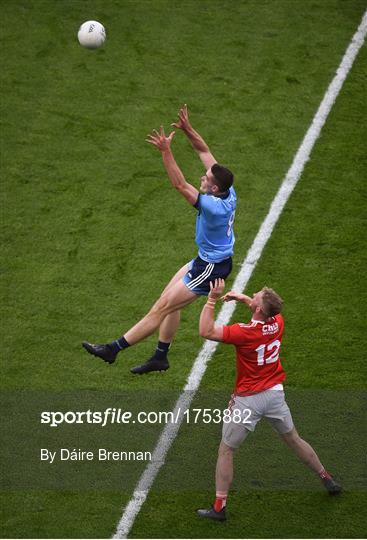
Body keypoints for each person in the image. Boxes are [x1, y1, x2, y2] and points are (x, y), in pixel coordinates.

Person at [82, 106, 237, 374]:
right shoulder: (227, 189)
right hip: (207, 259)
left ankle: (113, 349)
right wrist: (188, 130)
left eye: (206, 178)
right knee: (167, 299)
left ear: (214, 189)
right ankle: (160, 357)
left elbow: (180, 185)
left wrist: (166, 151)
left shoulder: (213, 207)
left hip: (211, 268)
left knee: (161, 307)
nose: (203, 175)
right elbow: (203, 151)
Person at [196, 278, 342, 522]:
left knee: (227, 449)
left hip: (248, 400)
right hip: (275, 396)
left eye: (257, 296)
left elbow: (206, 331)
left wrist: (211, 299)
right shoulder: (278, 322)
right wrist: (243, 299)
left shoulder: (243, 333)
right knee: (294, 439)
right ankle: (326, 478)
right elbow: (262, 316)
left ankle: (219, 507)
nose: (253, 293)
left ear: (258, 309)